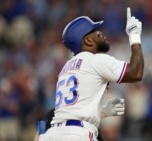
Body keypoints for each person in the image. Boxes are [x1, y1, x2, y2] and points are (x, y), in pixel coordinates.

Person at [39, 7, 144, 141]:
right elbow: (136, 73)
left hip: (52, 135)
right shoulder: (95, 59)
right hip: (77, 134)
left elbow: (72, 110)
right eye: (95, 31)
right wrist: (134, 36)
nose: (101, 33)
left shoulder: (66, 67)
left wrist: (102, 112)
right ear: (88, 40)